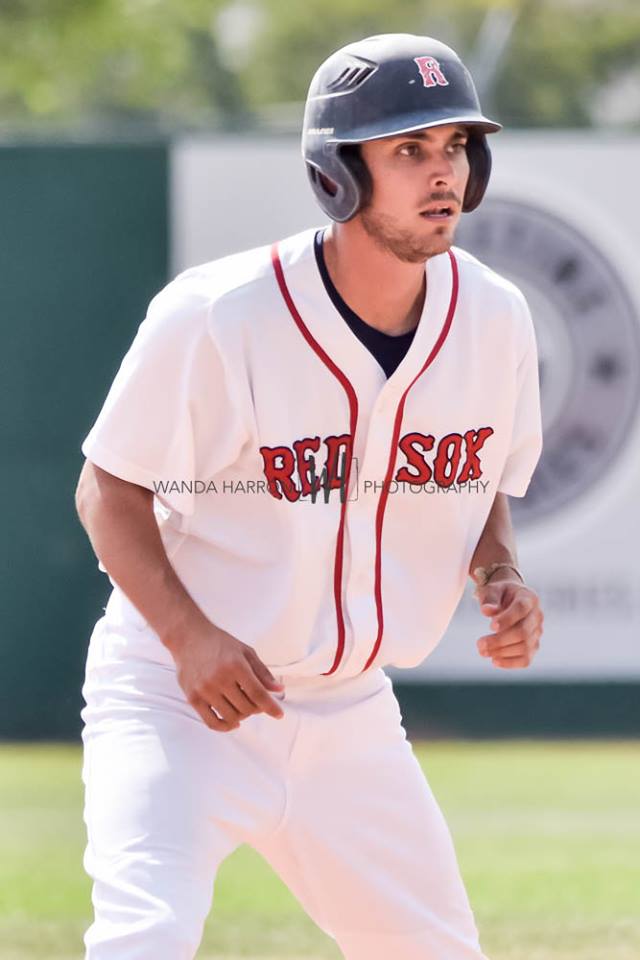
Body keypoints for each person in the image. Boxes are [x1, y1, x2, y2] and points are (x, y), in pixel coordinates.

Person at [75, 32, 544, 960]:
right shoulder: (221, 313)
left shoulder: (494, 318)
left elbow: (483, 471)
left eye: (454, 146)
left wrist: (499, 572)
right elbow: (108, 488)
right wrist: (189, 638)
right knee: (143, 938)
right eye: (408, 149)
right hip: (177, 698)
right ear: (339, 174)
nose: (440, 171)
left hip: (349, 716)